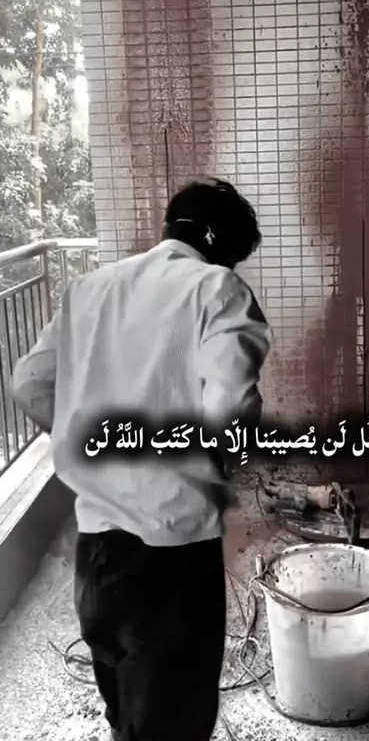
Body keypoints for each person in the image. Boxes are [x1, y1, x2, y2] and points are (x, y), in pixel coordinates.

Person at [11, 178, 271, 741]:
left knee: (126, 713)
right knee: (171, 723)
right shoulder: (217, 289)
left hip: (96, 554)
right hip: (172, 557)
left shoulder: (89, 288)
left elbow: (29, 383)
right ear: (219, 243)